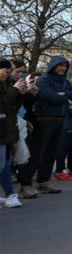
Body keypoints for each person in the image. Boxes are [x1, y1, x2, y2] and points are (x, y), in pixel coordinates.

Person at [31, 56, 72, 194]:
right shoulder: (44, 80)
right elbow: (50, 97)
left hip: (60, 120)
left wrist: (63, 93)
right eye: (60, 65)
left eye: (65, 66)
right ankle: (26, 185)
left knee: (51, 153)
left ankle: (43, 183)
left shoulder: (65, 81)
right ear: (53, 66)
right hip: (44, 120)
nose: (63, 68)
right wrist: (65, 97)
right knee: (37, 154)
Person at [0, 59, 25, 208]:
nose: (8, 73)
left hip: (6, 129)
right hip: (3, 130)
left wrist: (22, 94)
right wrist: (15, 90)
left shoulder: (7, 85)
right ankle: (10, 194)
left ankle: (10, 195)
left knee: (5, 164)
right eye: (6, 70)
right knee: (3, 164)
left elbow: (12, 107)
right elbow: (3, 103)